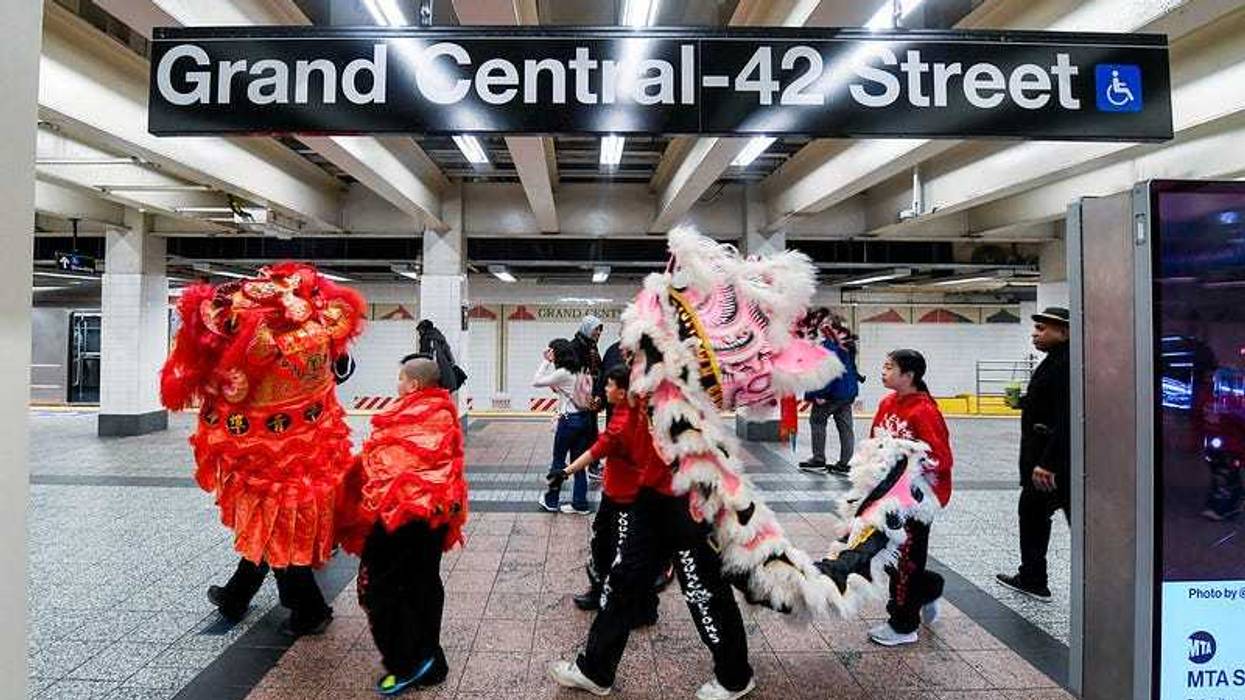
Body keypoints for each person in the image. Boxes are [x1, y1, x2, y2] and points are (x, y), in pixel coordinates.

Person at [159, 264, 366, 637]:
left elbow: (225, 377)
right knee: (269, 525)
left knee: (279, 528)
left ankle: (310, 610)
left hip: (272, 452)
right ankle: (237, 595)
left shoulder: (262, 337)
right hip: (306, 444)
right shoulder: (319, 331)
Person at [548, 393, 755, 700]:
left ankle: (735, 676)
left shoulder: (681, 362)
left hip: (685, 497)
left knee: (702, 590)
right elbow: (620, 432)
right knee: (622, 580)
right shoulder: (641, 373)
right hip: (649, 494)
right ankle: (596, 670)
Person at [337, 356, 468, 695]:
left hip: (403, 516)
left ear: (413, 385)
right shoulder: (444, 415)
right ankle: (430, 659)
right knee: (423, 583)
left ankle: (406, 663)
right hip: (436, 515)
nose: (397, 385)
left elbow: (389, 469)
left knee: (379, 587)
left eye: (400, 379)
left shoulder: (407, 418)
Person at [551, 365, 661, 626]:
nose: (606, 389)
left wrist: (564, 472)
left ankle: (644, 608)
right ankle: (598, 591)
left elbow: (596, 451)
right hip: (614, 495)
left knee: (627, 556)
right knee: (602, 546)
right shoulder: (631, 407)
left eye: (610, 386)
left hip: (629, 499)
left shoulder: (624, 423)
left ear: (622, 392)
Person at [866, 349, 954, 647]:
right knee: (894, 557)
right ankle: (928, 590)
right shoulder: (887, 403)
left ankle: (904, 625)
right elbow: (875, 441)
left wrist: (906, 463)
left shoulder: (924, 411)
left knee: (906, 560)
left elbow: (941, 458)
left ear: (909, 375)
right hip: (890, 495)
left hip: (917, 500)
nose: (883, 371)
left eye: (890, 367)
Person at [997, 307, 1071, 601]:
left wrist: (1048, 463)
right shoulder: (1056, 361)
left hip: (1051, 460)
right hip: (1047, 458)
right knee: (1035, 513)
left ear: (1064, 332)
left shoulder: (1065, 364)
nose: (1035, 333)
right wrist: (1024, 402)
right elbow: (1050, 402)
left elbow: (1068, 416)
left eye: (1042, 329)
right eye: (1036, 328)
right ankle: (1032, 576)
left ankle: (1034, 578)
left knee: (1034, 512)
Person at [534, 339, 595, 514]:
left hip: (569, 422)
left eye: (553, 352)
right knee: (578, 464)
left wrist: (546, 361)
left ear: (558, 353)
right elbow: (572, 392)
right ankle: (580, 503)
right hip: (584, 420)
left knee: (558, 461)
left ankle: (551, 500)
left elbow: (536, 381)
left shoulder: (563, 372)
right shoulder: (582, 371)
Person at [799, 320, 860, 475]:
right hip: (846, 393)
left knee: (817, 421)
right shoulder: (847, 345)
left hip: (831, 393)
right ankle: (845, 464)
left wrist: (820, 393)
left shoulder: (830, 345)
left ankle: (818, 460)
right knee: (845, 427)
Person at [573, 315, 606, 480]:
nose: (598, 333)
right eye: (596, 330)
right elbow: (575, 376)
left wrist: (599, 394)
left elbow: (598, 372)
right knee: (582, 434)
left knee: (592, 432)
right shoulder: (576, 347)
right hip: (580, 401)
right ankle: (567, 466)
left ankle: (592, 466)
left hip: (592, 398)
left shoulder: (592, 347)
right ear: (587, 328)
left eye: (600, 331)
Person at [416, 319, 465, 393]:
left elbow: (426, 357)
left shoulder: (427, 338)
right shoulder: (439, 337)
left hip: (436, 373)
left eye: (420, 330)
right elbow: (450, 356)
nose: (419, 333)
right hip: (446, 372)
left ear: (423, 329)